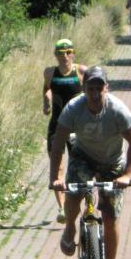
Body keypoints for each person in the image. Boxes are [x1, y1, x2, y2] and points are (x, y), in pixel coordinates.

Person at [49, 66, 131, 259]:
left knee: (110, 217)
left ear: (106, 88)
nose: (95, 93)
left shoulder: (117, 110)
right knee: (74, 193)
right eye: (90, 88)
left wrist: (127, 174)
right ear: (84, 89)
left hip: (112, 163)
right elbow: (58, 143)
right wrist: (55, 178)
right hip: (83, 158)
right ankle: (70, 227)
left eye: (99, 88)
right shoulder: (73, 109)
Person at [42, 38, 86, 223]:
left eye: (68, 52)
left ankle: (78, 203)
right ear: (55, 55)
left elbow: (92, 93)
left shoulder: (81, 71)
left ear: (73, 54)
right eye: (61, 53)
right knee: (57, 166)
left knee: (79, 167)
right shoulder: (50, 72)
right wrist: (46, 101)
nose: (65, 56)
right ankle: (62, 208)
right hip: (57, 125)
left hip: (77, 126)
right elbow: (46, 88)